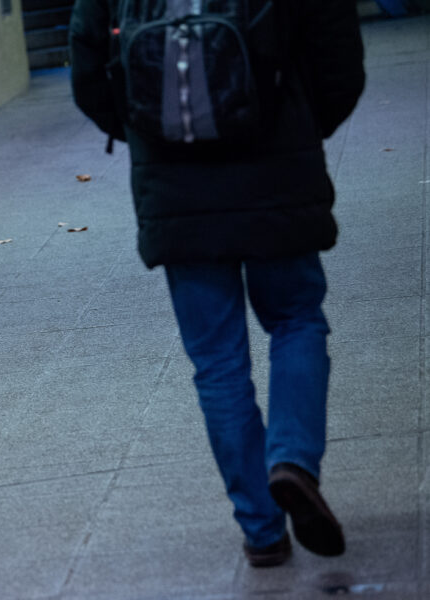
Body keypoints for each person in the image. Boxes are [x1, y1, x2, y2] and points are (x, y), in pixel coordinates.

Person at [69, 0, 365, 567]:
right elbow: (339, 58)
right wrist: (293, 118)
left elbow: (88, 70)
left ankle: (262, 529)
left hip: (175, 185)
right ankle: (293, 461)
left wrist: (153, 129)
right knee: (296, 318)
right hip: (277, 166)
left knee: (217, 363)